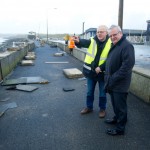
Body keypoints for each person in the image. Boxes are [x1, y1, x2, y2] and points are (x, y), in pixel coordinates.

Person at [73, 25, 111, 118]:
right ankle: (89, 107)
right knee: (89, 92)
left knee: (102, 93)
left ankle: (102, 109)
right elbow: (84, 42)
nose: (99, 33)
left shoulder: (111, 43)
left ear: (106, 33)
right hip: (91, 73)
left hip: (102, 73)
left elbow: (111, 59)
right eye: (98, 32)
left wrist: (101, 67)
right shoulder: (92, 40)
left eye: (101, 32)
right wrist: (78, 41)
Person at [104, 25, 135, 135]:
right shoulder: (116, 44)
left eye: (114, 35)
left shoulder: (127, 46)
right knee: (115, 104)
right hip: (112, 82)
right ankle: (117, 118)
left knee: (121, 107)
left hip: (120, 84)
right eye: (110, 35)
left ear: (120, 33)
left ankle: (120, 128)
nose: (112, 37)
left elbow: (127, 66)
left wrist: (113, 78)